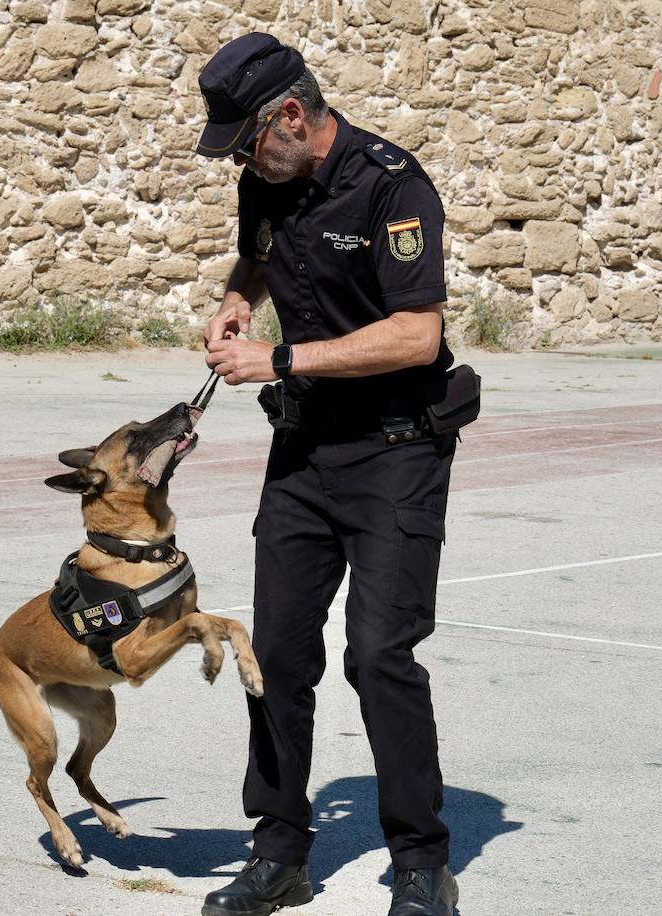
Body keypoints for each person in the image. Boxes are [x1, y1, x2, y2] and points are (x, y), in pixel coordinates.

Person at [196, 33, 461, 916]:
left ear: (293, 116)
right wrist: (241, 297)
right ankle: (279, 852)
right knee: (275, 655)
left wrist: (279, 359)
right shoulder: (263, 182)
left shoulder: (393, 185)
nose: (239, 161)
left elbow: (416, 336)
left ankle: (421, 862)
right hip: (304, 452)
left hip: (396, 450)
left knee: (379, 654)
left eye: (244, 142)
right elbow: (262, 253)